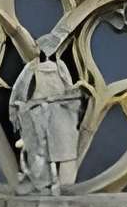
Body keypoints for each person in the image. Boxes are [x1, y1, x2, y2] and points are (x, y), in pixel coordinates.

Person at [8, 47, 84, 193]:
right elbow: (19, 90)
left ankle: (65, 187)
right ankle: (44, 187)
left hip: (59, 114)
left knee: (64, 152)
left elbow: (69, 88)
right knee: (41, 153)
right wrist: (16, 110)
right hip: (40, 114)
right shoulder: (32, 67)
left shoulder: (61, 66)